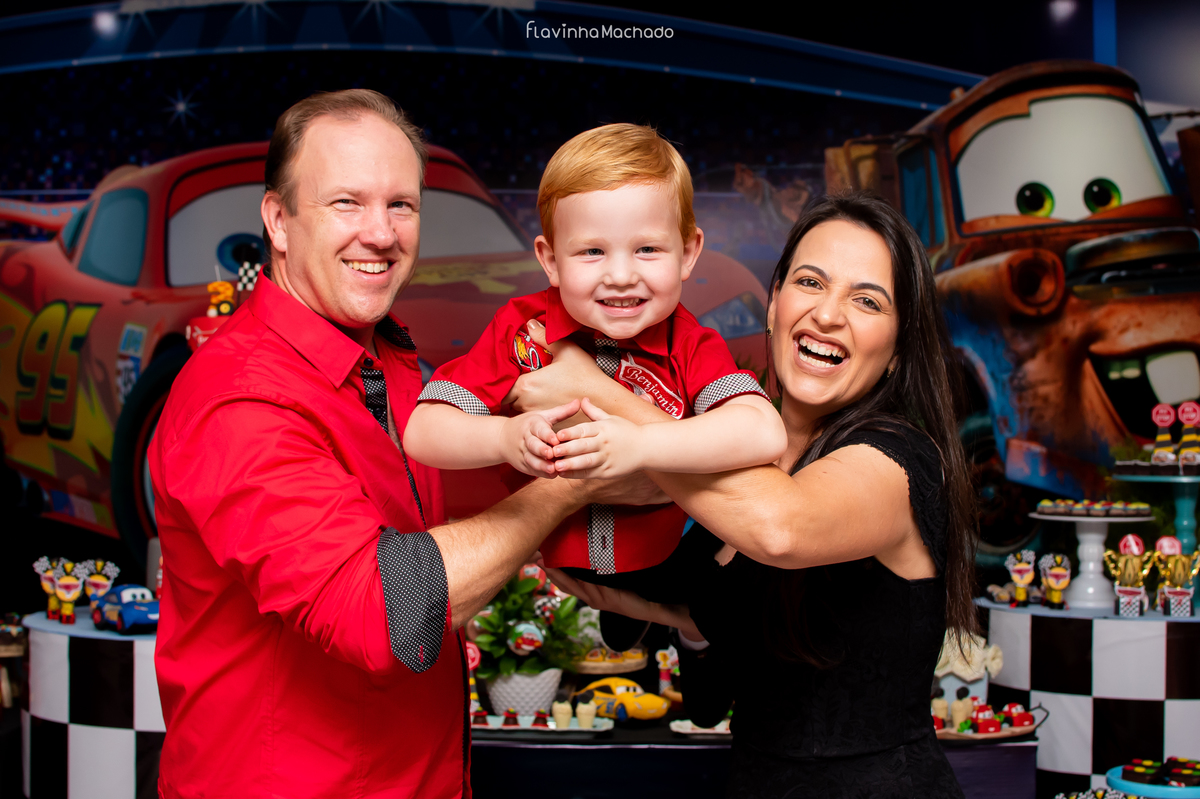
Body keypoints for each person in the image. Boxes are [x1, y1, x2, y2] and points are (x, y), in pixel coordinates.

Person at [148, 90, 659, 798]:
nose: (381, 233)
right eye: (346, 203)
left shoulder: (386, 360)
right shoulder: (240, 397)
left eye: (401, 205)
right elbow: (386, 611)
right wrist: (577, 478)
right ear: (279, 221)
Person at [513, 193, 977, 798]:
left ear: (897, 349)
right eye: (810, 282)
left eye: (867, 301)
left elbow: (782, 528)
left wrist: (604, 396)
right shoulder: (732, 465)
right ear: (774, 304)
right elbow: (708, 698)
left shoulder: (899, 457)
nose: (828, 314)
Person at [403, 124, 785, 649]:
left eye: (647, 248)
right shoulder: (522, 330)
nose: (621, 275)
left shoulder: (690, 341)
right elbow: (422, 431)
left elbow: (763, 431)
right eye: (591, 252)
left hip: (670, 559)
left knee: (734, 592)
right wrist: (503, 437)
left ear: (688, 252)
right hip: (556, 560)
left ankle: (682, 628)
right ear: (550, 260)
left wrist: (642, 443)